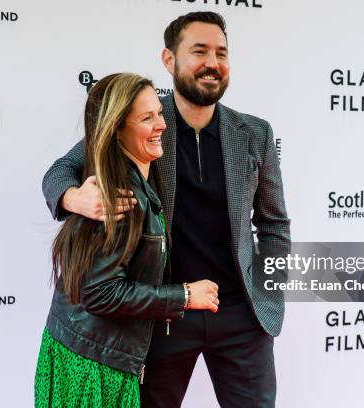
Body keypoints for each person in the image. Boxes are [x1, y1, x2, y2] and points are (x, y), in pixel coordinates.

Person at [42, 12, 290, 408]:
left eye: (222, 52)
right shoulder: (144, 118)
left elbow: (274, 224)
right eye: (199, 51)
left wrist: (267, 295)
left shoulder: (255, 133)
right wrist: (73, 198)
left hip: (242, 316)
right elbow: (61, 171)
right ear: (169, 60)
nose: (213, 62)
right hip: (164, 314)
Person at [35, 73, 220, 408]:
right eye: (147, 117)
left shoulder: (147, 157)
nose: (160, 123)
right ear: (116, 129)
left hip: (111, 349)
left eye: (159, 114)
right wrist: (74, 198)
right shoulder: (118, 199)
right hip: (95, 361)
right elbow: (101, 292)